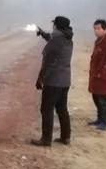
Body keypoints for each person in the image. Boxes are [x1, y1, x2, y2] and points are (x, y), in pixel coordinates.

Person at [31, 16, 74, 147]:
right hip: (65, 81)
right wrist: (43, 34)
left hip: (53, 81)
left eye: (54, 24)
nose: (53, 26)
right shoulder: (67, 39)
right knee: (62, 109)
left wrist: (40, 79)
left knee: (46, 109)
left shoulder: (57, 41)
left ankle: (46, 139)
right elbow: (53, 39)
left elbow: (49, 63)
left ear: (57, 26)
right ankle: (66, 137)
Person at [88, 18, 106, 130]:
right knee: (96, 97)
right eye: (94, 28)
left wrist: (100, 74)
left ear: (104, 29)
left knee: (103, 99)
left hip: (105, 77)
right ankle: (99, 119)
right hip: (96, 76)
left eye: (98, 28)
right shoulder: (99, 41)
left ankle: (104, 122)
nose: (96, 31)